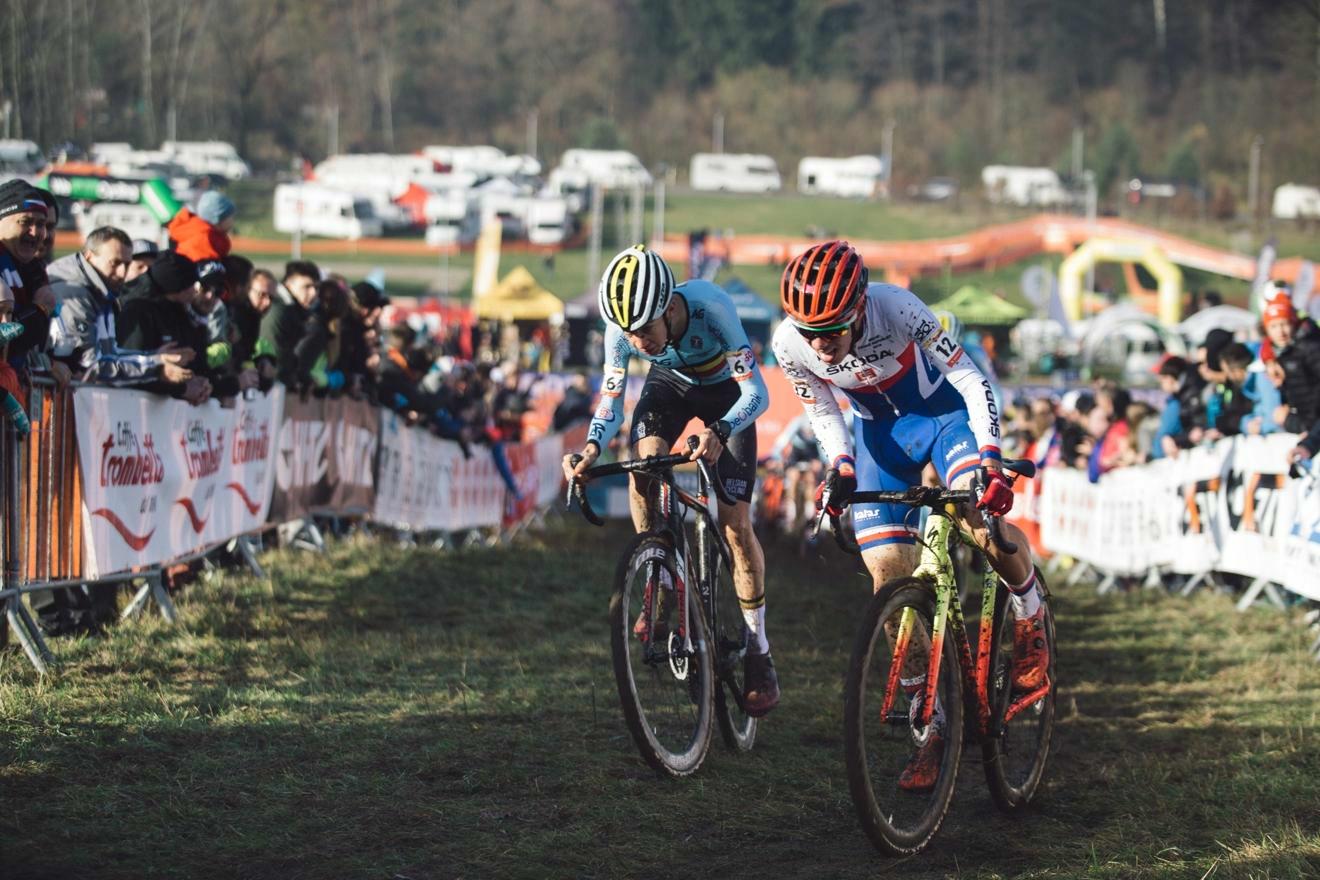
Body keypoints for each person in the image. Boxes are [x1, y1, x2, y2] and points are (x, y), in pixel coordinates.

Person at [770, 240, 1044, 790]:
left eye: (831, 331)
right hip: (881, 443)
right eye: (809, 333)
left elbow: (970, 378)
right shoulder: (788, 341)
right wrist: (842, 464)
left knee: (978, 523)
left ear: (858, 309)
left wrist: (989, 455)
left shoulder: (897, 308)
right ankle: (931, 723)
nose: (820, 346)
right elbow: (820, 406)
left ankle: (1031, 615)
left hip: (945, 422)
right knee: (886, 572)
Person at [562, 245, 777, 716]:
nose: (637, 342)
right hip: (671, 386)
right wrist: (593, 445)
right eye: (629, 334)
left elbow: (757, 395)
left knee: (736, 528)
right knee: (645, 464)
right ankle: (659, 572)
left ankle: (759, 649)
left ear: (669, 307)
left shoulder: (711, 307)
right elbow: (612, 400)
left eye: (645, 330)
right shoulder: (621, 332)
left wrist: (719, 431)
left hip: (727, 397)